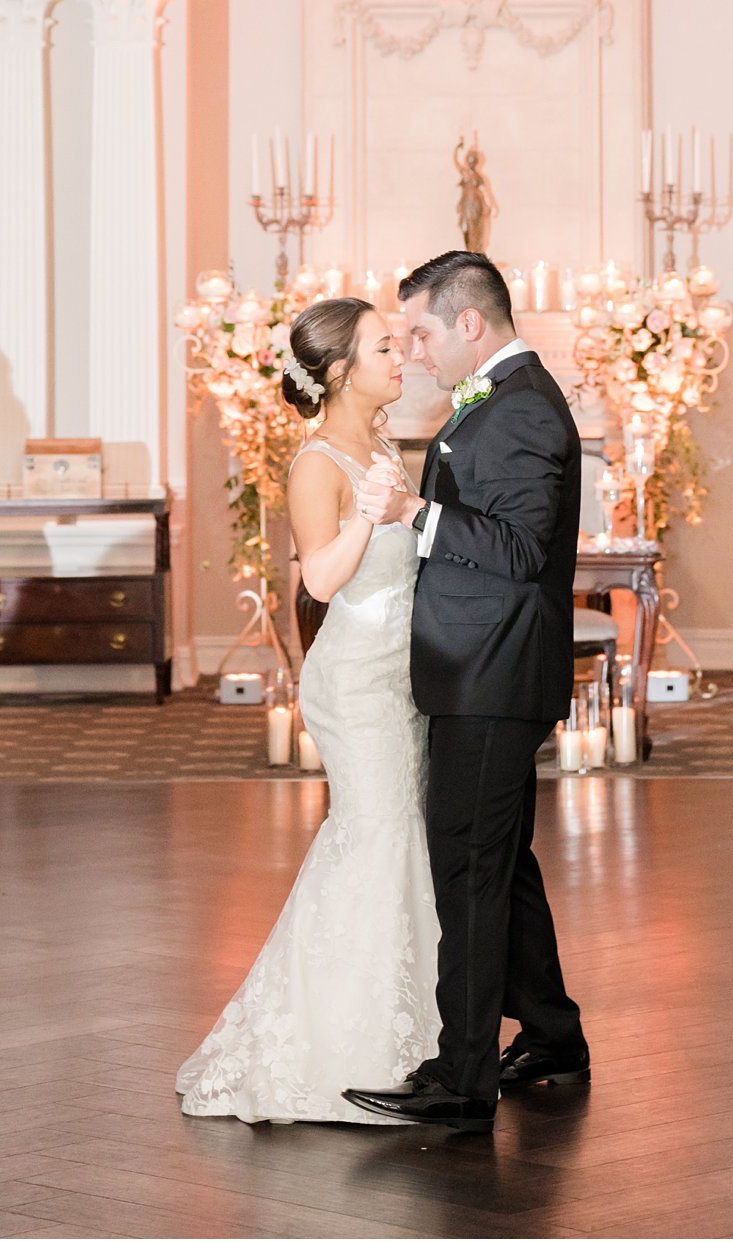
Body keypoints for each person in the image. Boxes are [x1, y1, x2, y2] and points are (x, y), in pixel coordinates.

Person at [176, 298, 441, 1124]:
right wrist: (373, 513)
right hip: (357, 676)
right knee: (378, 836)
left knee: (398, 841)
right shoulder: (319, 460)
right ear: (337, 372)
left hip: (403, 671)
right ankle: (340, 1054)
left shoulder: (381, 441)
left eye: (398, 344)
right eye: (383, 348)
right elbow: (321, 581)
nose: (401, 357)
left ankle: (407, 1037)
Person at [343, 250, 589, 1135]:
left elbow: (520, 552)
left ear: (469, 324)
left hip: (492, 674)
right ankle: (554, 1034)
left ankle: (463, 1074)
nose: (412, 349)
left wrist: (415, 514)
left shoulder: (519, 409)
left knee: (469, 867)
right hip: (482, 668)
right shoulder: (500, 399)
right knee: (501, 859)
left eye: (420, 331)